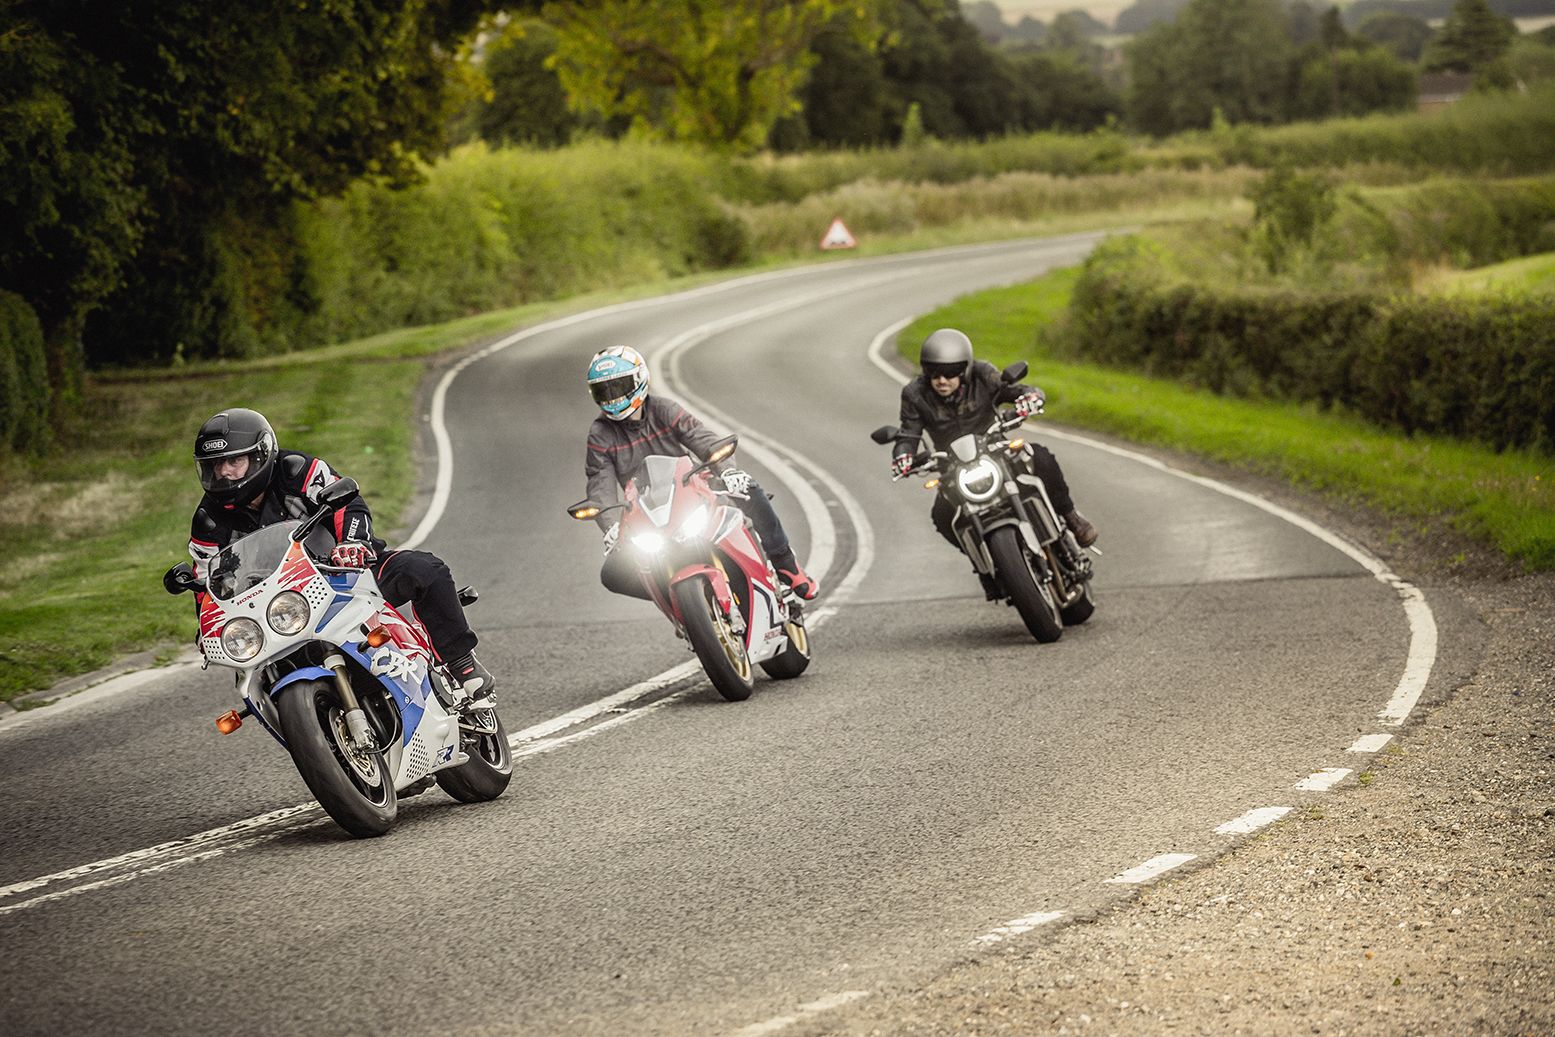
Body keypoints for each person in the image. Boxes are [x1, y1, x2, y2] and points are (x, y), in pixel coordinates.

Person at [187, 408, 494, 706]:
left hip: (347, 573)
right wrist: (206, 627)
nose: (224, 472)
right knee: (255, 673)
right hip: (278, 610)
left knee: (425, 570)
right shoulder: (208, 520)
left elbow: (348, 502)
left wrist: (353, 542)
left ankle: (460, 662)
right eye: (216, 464)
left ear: (260, 455)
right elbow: (205, 581)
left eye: (234, 461)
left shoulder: (296, 470)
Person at [582, 345, 818, 601]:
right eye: (603, 390)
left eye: (617, 387)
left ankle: (786, 565)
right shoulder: (600, 434)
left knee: (749, 489)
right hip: (645, 511)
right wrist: (610, 527)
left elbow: (702, 438)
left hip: (692, 487)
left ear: (638, 379)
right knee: (613, 574)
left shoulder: (664, 408)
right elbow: (599, 484)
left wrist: (728, 472)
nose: (612, 397)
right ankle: (677, 602)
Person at [892, 327, 1097, 559]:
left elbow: (1012, 390)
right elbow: (908, 432)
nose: (941, 380)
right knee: (941, 516)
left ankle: (1071, 517)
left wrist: (1030, 398)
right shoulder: (915, 394)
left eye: (950, 372)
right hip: (952, 466)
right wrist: (903, 456)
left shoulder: (982, 374)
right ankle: (985, 562)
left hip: (994, 450)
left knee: (1040, 457)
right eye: (933, 373)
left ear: (964, 369)